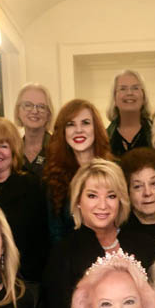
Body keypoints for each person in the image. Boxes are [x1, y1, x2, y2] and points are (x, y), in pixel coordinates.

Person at [44, 158, 155, 308]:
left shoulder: (145, 246)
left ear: (121, 200)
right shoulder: (63, 253)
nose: (103, 205)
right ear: (78, 201)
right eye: (92, 196)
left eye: (111, 196)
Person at [0, 117, 49, 283]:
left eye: (3, 146)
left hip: (25, 282)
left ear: (14, 151)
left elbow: (44, 242)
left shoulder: (33, 187)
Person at [44, 99, 113, 244]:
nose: (79, 130)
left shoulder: (115, 170)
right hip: (70, 258)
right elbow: (55, 234)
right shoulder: (53, 177)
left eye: (85, 123)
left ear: (96, 128)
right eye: (71, 124)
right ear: (63, 132)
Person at [120, 147, 155, 252]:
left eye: (153, 184)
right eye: (138, 186)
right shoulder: (120, 236)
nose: (147, 192)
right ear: (127, 192)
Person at [106, 69, 153, 157]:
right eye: (123, 88)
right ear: (114, 98)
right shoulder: (103, 139)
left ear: (144, 96)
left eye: (135, 88)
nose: (129, 93)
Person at [14, 82, 54, 177]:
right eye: (28, 105)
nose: (35, 111)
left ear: (48, 113)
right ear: (18, 111)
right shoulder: (13, 151)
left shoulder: (60, 149)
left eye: (41, 107)